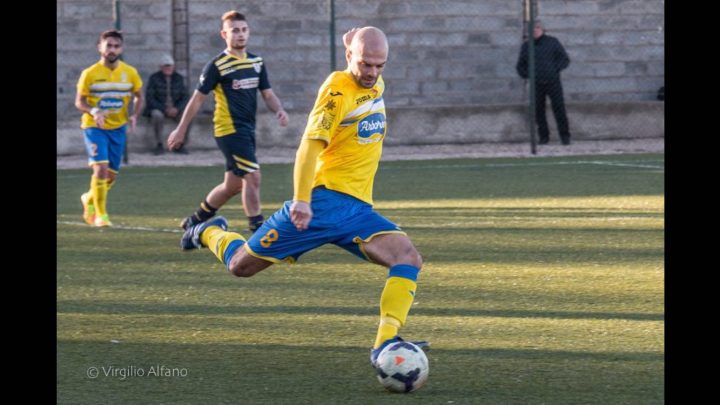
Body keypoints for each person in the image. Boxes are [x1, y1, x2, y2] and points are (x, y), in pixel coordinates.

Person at [179, 26, 428, 370]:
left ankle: (384, 342)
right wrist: (301, 199)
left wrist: (350, 40)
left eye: (379, 65)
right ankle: (208, 231)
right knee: (241, 267)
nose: (372, 73)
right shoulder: (336, 92)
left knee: (408, 258)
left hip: (356, 209)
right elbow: (308, 147)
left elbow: (363, 56)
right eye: (365, 64)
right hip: (321, 205)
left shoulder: (374, 82)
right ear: (350, 58)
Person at [167, 10, 289, 232]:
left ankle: (196, 219)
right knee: (253, 176)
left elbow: (268, 94)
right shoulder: (217, 65)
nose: (240, 35)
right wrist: (181, 129)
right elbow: (197, 99)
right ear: (224, 34)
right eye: (235, 31)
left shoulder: (256, 62)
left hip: (247, 129)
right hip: (228, 129)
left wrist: (279, 109)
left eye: (244, 30)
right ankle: (258, 229)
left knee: (232, 185)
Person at [75, 30, 143, 227]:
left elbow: (139, 95)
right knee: (101, 169)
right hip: (94, 127)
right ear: (100, 47)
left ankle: (89, 198)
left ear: (121, 49)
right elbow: (79, 102)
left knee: (111, 176)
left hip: (118, 128)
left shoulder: (129, 72)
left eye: (116, 46)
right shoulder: (89, 73)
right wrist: (94, 111)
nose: (112, 49)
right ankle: (101, 215)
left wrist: (134, 115)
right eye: (108, 45)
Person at [516, 20, 571, 145]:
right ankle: (543, 137)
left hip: (553, 82)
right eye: (532, 28)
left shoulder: (553, 42)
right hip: (536, 83)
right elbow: (520, 65)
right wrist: (529, 75)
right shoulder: (526, 46)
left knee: (559, 108)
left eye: (538, 27)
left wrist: (554, 70)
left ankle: (565, 136)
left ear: (543, 29)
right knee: (538, 111)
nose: (535, 30)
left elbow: (564, 59)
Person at [143, 54, 190, 155]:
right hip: (160, 108)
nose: (168, 68)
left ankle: (180, 144)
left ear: (173, 66)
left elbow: (185, 97)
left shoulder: (179, 78)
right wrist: (164, 109)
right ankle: (159, 144)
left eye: (170, 66)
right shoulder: (154, 78)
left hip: (175, 109)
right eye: (165, 66)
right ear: (161, 67)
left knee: (188, 116)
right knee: (156, 115)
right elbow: (150, 98)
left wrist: (177, 109)